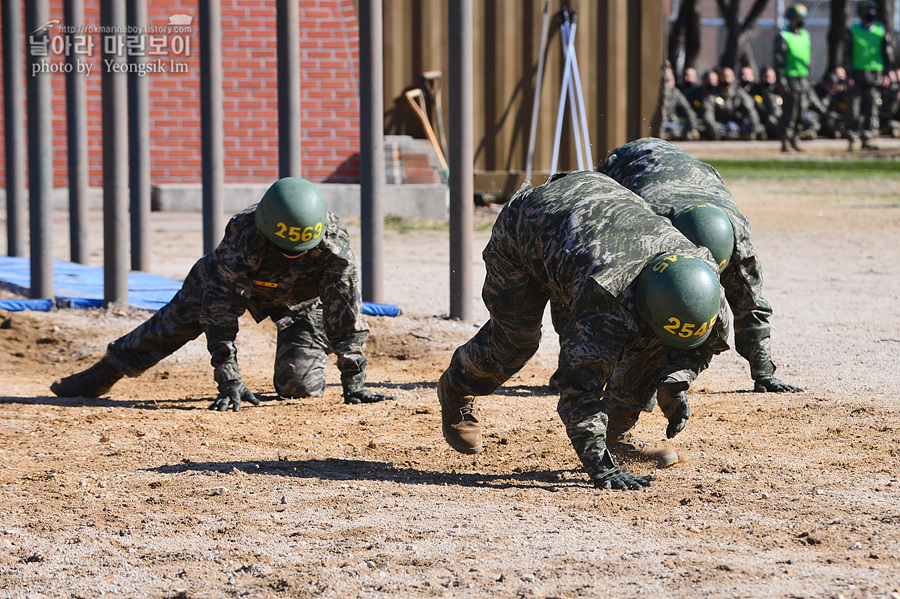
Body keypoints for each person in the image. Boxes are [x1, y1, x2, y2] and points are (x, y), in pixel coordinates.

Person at [436, 170, 730, 490]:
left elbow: (706, 344)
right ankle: (456, 387)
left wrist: (677, 382)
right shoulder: (607, 299)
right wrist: (600, 468)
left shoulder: (702, 276)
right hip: (528, 228)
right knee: (514, 343)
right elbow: (578, 389)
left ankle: (617, 433)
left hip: (586, 237)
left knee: (651, 345)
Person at [50, 177, 394, 410]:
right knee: (166, 328)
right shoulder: (243, 236)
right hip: (231, 286)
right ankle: (102, 374)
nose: (294, 254)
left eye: (301, 249)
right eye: (286, 248)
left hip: (299, 302)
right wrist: (229, 379)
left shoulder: (334, 248)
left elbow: (344, 310)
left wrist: (354, 382)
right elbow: (219, 308)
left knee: (299, 387)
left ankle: (304, 365)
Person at [598, 137, 803, 398]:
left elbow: (749, 302)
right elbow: (602, 284)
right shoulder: (646, 226)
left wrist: (764, 372)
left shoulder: (734, 234)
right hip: (625, 168)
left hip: (694, 176)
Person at [843, 0, 895, 150]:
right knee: (853, 109)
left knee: (871, 109)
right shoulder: (853, 31)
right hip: (857, 74)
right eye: (867, 11)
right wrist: (848, 74)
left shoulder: (881, 30)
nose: (871, 13)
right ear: (861, 13)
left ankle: (867, 138)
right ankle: (852, 139)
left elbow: (887, 54)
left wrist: (887, 73)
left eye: (873, 10)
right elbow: (847, 55)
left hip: (875, 75)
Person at [774, 3, 812, 152]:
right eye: (798, 18)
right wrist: (782, 81)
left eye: (802, 18)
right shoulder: (783, 36)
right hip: (790, 79)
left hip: (803, 78)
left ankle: (795, 138)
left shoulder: (805, 35)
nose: (801, 21)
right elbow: (779, 62)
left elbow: (807, 59)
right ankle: (785, 141)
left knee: (801, 112)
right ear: (791, 19)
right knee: (789, 112)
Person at [660, 65, 700, 141]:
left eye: (670, 79)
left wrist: (693, 127)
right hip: (660, 124)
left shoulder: (675, 93)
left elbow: (687, 109)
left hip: (672, 123)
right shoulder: (654, 93)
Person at [750, 66, 784, 141]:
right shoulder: (755, 91)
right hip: (760, 120)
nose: (768, 80)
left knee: (772, 120)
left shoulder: (778, 91)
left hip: (776, 121)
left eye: (771, 77)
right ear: (760, 77)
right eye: (765, 77)